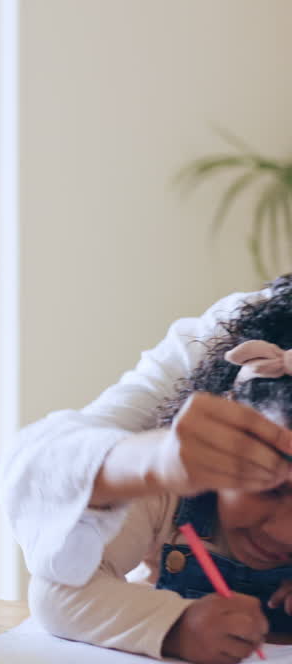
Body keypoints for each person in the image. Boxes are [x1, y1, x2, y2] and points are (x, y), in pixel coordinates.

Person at [30, 278, 292, 663]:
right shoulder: (166, 492)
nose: (283, 531)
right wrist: (177, 628)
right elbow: (56, 591)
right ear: (223, 438)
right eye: (267, 486)